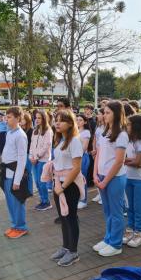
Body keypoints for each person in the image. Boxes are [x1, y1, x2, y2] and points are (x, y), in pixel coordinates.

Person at [93, 101, 128, 257]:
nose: (104, 115)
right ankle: (108, 239)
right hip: (102, 175)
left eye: (108, 112)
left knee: (116, 211)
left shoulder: (122, 134)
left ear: (116, 114)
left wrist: (105, 180)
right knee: (107, 211)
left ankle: (116, 243)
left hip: (114, 178)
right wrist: (95, 174)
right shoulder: (103, 132)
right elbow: (99, 155)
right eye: (104, 112)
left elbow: (119, 161)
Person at [49, 109, 83, 266]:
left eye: (61, 120)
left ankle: (73, 252)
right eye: (56, 119)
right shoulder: (60, 140)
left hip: (69, 185)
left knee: (70, 217)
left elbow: (76, 168)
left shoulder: (75, 141)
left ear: (70, 124)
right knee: (63, 217)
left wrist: (63, 186)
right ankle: (65, 247)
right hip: (59, 183)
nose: (57, 122)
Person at [0, 106, 29, 239]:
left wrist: (17, 181)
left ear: (18, 118)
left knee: (17, 201)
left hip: (15, 172)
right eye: (7, 116)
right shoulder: (10, 132)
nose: (7, 119)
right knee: (10, 201)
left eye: (10, 117)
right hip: (6, 171)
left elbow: (22, 159)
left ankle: (21, 227)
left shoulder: (20, 135)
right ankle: (14, 225)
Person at [123, 115, 141, 248]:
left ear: (136, 126)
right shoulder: (128, 141)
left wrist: (123, 161)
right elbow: (131, 160)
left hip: (139, 179)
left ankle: (138, 233)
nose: (126, 126)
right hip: (128, 177)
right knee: (130, 207)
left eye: (128, 124)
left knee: (138, 207)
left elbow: (138, 163)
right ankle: (129, 230)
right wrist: (129, 161)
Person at [29, 110, 53, 211]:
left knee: (42, 181)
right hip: (34, 159)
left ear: (44, 119)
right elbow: (31, 144)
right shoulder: (35, 130)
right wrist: (31, 156)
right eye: (36, 118)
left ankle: (46, 202)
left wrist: (37, 157)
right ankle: (42, 200)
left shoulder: (48, 131)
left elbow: (46, 146)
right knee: (37, 182)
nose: (37, 120)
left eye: (39, 118)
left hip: (42, 160)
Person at [77, 114, 91, 209]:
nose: (78, 121)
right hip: (75, 158)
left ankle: (83, 200)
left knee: (82, 179)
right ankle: (78, 197)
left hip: (82, 157)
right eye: (77, 119)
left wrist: (77, 155)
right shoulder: (74, 131)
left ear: (85, 122)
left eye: (81, 120)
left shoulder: (86, 132)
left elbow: (85, 146)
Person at [91, 108, 105, 204]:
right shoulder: (98, 126)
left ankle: (103, 195)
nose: (97, 116)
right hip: (97, 151)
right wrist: (94, 149)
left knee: (101, 173)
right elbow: (95, 138)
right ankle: (99, 193)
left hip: (103, 153)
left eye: (99, 114)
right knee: (96, 172)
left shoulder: (106, 127)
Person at [20, 112, 34, 196]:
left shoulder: (31, 130)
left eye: (23, 119)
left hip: (28, 153)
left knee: (28, 172)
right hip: (22, 153)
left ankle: (30, 190)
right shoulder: (21, 129)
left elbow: (31, 144)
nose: (21, 121)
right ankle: (25, 189)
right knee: (22, 172)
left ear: (27, 120)